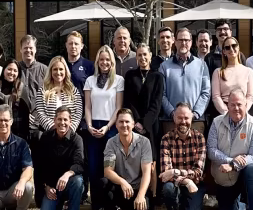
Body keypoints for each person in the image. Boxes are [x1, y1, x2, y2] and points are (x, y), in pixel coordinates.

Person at [206, 89, 253, 210]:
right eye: (232, 104)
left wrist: (234, 165)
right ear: (227, 105)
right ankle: (243, 205)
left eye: (239, 104)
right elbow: (211, 150)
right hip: (225, 176)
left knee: (251, 168)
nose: (236, 108)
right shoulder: (216, 122)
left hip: (245, 173)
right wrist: (229, 161)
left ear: (246, 104)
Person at [99, 108, 154, 210]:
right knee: (103, 183)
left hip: (138, 189)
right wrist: (122, 182)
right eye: (121, 122)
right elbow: (107, 171)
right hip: (121, 189)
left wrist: (140, 195)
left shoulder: (144, 142)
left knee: (144, 205)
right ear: (116, 124)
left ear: (133, 124)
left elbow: (147, 173)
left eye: (127, 122)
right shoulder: (110, 143)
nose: (124, 125)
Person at [32, 108, 86, 210]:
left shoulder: (77, 139)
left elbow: (79, 164)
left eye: (65, 119)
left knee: (78, 181)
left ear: (70, 122)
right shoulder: (45, 138)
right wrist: (45, 187)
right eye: (59, 119)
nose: (62, 122)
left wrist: (67, 174)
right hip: (52, 188)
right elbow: (40, 166)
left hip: (69, 185)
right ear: (54, 120)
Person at [156, 101, 206, 210]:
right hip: (180, 184)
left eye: (186, 118)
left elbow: (198, 172)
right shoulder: (166, 139)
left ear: (192, 118)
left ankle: (194, 206)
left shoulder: (199, 138)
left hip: (195, 185)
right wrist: (187, 181)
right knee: (167, 188)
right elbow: (165, 174)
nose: (183, 121)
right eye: (179, 118)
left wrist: (175, 172)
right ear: (174, 118)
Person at [82, 46, 124, 188]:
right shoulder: (90, 80)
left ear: (112, 62)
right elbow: (87, 106)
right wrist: (89, 126)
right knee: (94, 164)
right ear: (97, 61)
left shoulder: (118, 80)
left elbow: (118, 107)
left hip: (111, 126)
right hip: (93, 125)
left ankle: (111, 199)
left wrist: (107, 127)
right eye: (101, 59)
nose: (104, 62)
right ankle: (96, 202)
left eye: (107, 59)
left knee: (111, 164)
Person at [158, 30, 210, 144]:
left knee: (196, 157)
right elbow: (161, 94)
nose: (183, 43)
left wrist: (195, 113)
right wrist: (172, 113)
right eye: (180, 40)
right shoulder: (164, 67)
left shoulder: (202, 65)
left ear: (191, 43)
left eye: (186, 40)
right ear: (175, 42)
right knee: (171, 157)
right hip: (170, 121)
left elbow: (206, 92)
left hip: (196, 121)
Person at [0, 60, 30, 141]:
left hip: (18, 134)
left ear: (18, 73)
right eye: (9, 69)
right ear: (4, 70)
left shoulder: (22, 90)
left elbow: (25, 117)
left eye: (15, 70)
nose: (12, 72)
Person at [33, 55, 82, 136]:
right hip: (50, 135)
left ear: (65, 71)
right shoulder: (43, 91)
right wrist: (55, 130)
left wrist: (68, 131)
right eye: (55, 69)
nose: (58, 72)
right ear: (50, 71)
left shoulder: (73, 90)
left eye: (61, 69)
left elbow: (78, 113)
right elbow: (41, 113)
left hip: (69, 135)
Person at [124, 43, 164, 136]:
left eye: (145, 54)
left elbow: (156, 103)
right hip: (134, 124)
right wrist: (137, 122)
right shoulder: (130, 75)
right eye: (139, 55)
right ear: (136, 57)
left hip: (152, 124)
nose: (142, 57)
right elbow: (129, 101)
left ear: (150, 55)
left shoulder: (158, 77)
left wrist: (145, 124)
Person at [210, 38, 253, 115]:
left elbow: (250, 96)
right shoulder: (218, 72)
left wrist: (243, 111)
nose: (231, 49)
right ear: (224, 51)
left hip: (243, 113)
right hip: (223, 113)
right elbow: (216, 97)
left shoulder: (249, 72)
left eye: (234, 46)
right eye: (227, 47)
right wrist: (226, 113)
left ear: (238, 48)